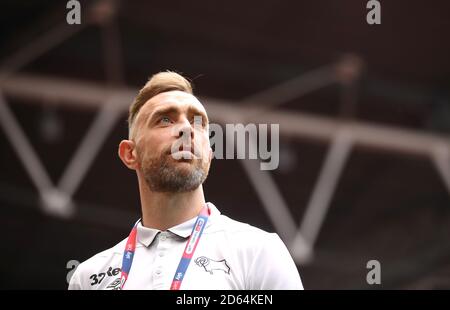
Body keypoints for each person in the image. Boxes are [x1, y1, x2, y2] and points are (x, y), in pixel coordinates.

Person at [68, 71, 303, 290]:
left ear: (209, 155)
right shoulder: (89, 277)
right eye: (165, 120)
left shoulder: (258, 252)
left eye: (198, 122)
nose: (186, 129)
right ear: (130, 154)